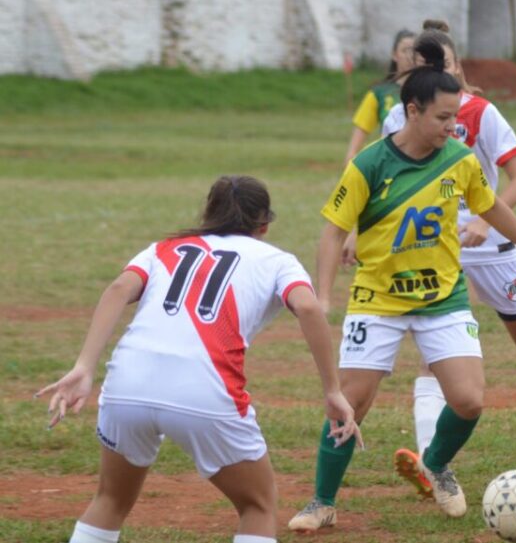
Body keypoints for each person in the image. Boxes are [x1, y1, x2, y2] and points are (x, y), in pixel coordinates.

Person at [287, 36, 516, 532]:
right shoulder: (371, 164)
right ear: (412, 111)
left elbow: (494, 208)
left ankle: (437, 465)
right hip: (377, 298)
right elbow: (332, 231)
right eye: (445, 118)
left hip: (442, 297)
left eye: (456, 117)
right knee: (351, 402)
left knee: (469, 400)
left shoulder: (460, 161)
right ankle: (322, 502)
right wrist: (322, 296)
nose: (454, 127)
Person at [36, 176, 362, 543]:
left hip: (127, 381)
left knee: (110, 499)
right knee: (258, 505)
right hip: (205, 387)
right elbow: (308, 306)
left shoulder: (165, 248)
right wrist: (332, 390)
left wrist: (84, 366)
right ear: (264, 224)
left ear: (208, 213)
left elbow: (117, 289)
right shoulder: (277, 261)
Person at [379, 21, 516, 501]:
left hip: (495, 250)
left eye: (441, 65)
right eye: (423, 66)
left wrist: (485, 221)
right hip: (437, 254)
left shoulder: (481, 113)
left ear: (457, 67)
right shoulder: (397, 121)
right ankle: (428, 464)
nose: (432, 74)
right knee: (432, 358)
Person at [344, 29, 415, 164]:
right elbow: (356, 142)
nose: (409, 56)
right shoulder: (380, 93)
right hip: (389, 163)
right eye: (405, 50)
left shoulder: (429, 91)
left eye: (414, 51)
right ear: (394, 55)